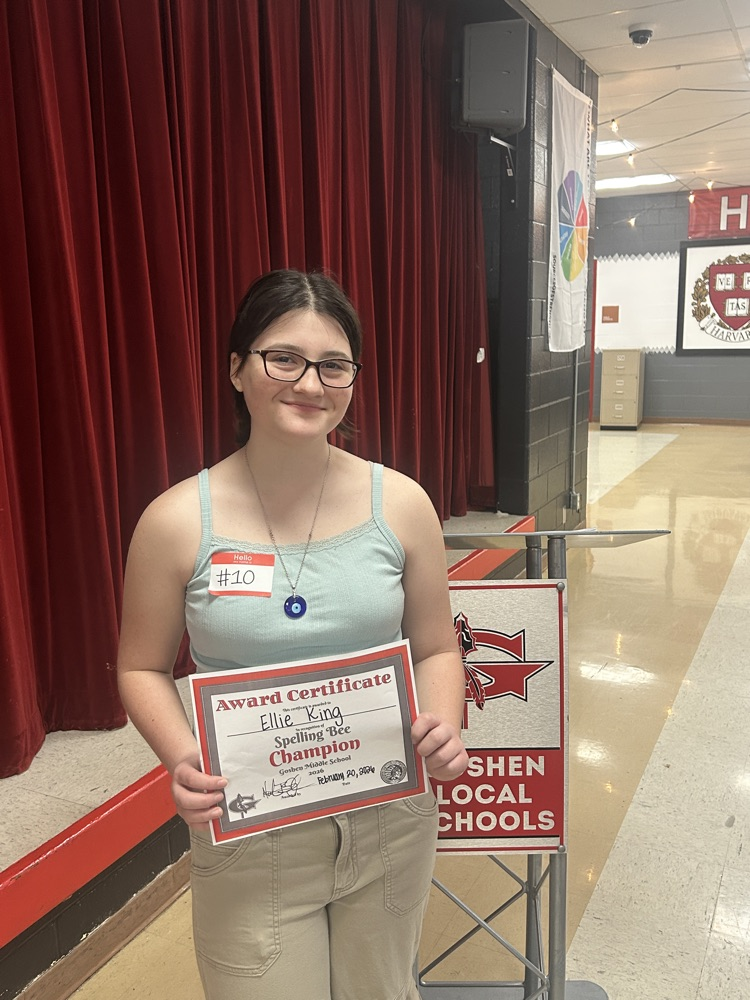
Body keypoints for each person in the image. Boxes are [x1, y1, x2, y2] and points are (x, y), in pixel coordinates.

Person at [117, 268, 468, 1000]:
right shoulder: (178, 520)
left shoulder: (401, 504)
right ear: (237, 369)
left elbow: (436, 646)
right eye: (284, 358)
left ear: (352, 379)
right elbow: (141, 668)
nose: (309, 382)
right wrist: (185, 762)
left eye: (333, 364)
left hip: (390, 816)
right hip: (252, 829)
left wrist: (444, 723)